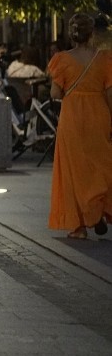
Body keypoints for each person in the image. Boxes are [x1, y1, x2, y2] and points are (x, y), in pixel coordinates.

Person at [47, 13, 112, 239]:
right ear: (91, 33)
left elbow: (55, 93)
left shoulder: (62, 59)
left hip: (73, 116)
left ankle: (79, 227)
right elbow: (110, 93)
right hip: (99, 114)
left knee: (73, 169)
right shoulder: (104, 59)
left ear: (72, 34)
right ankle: (98, 210)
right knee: (99, 164)